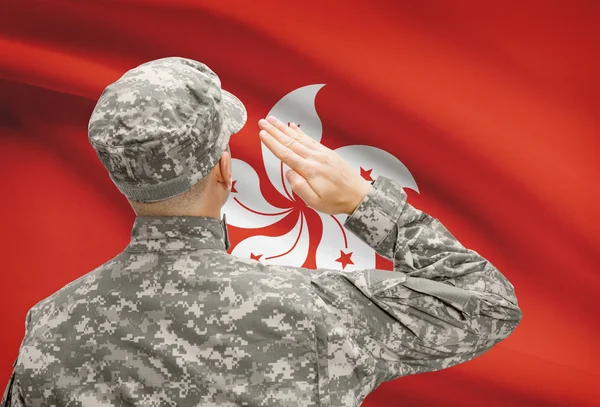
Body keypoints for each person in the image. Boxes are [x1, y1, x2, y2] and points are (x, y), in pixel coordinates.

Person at [1, 56, 522, 407]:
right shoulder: (318, 309)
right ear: (226, 170)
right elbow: (489, 304)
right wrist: (364, 202)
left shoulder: (50, 326)